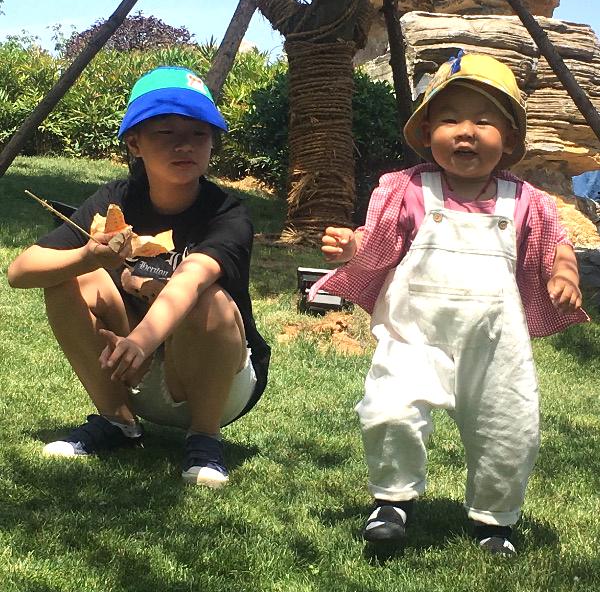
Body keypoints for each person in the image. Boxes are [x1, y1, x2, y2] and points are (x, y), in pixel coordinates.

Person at [310, 52, 588, 555]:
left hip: (495, 342)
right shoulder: (411, 190)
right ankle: (391, 502)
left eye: (484, 121)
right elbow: (379, 240)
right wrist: (351, 247)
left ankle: (494, 521)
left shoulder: (524, 200)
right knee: (389, 409)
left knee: (507, 427)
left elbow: (557, 243)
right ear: (427, 132)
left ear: (509, 139)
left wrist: (564, 271)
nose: (466, 132)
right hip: (413, 334)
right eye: (450, 119)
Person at [8, 65, 270, 488]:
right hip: (131, 371)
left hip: (219, 383)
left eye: (199, 133)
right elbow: (20, 272)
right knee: (69, 277)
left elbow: (190, 279)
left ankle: (204, 439)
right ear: (135, 143)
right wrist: (87, 257)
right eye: (166, 132)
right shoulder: (115, 200)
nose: (185, 145)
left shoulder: (227, 213)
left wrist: (141, 341)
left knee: (209, 298)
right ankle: (118, 422)